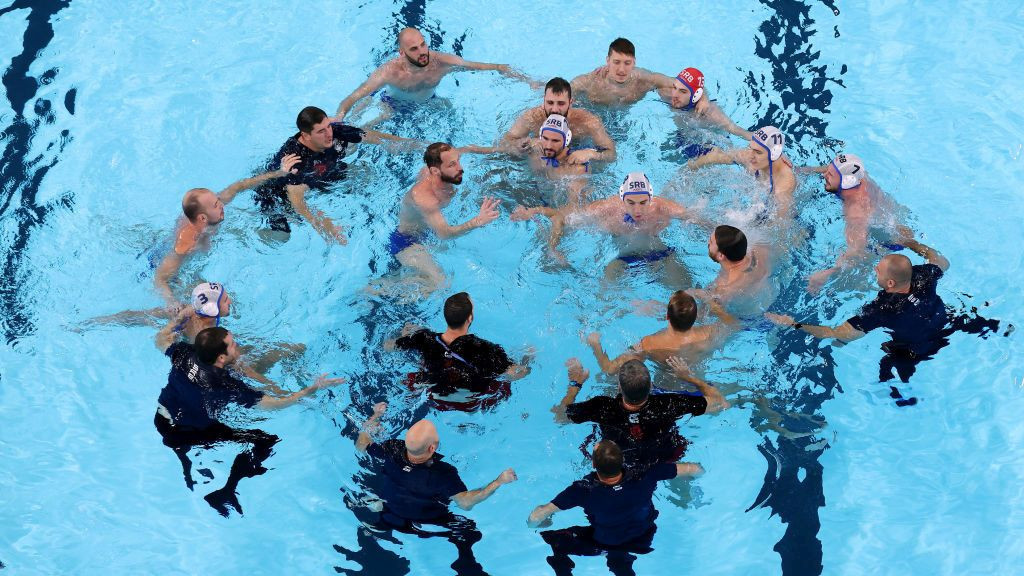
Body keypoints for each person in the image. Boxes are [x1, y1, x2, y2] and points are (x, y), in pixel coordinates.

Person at [154, 326, 343, 516]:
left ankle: (186, 460)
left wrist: (178, 319)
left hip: (162, 419)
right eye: (233, 345)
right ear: (221, 357)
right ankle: (228, 489)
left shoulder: (185, 353)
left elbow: (161, 339)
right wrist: (311, 390)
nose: (238, 347)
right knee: (264, 440)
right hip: (189, 433)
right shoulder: (224, 384)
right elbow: (274, 404)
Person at [765, 232, 950, 394]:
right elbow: (942, 261)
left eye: (878, 271)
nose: (874, 271)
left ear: (891, 283)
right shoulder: (924, 276)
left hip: (913, 349)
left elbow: (836, 333)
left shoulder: (883, 309)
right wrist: (910, 243)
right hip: (946, 324)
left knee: (885, 370)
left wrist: (791, 323)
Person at [352, 405, 517, 575]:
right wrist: (499, 481)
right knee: (469, 530)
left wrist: (376, 415)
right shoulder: (444, 473)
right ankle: (465, 564)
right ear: (432, 448)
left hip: (389, 514)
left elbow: (361, 444)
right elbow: (466, 503)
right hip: (427, 521)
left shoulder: (392, 448)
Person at [527, 440, 704, 576]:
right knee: (619, 551)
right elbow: (696, 469)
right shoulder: (646, 473)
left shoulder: (583, 490)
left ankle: (563, 567)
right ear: (622, 461)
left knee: (553, 538)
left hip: (606, 541)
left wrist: (541, 521)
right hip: (643, 537)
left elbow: (534, 520)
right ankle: (620, 564)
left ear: (594, 465)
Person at [153, 154, 300, 307]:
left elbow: (240, 186)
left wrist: (279, 173)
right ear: (202, 218)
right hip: (176, 271)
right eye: (216, 205)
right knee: (221, 302)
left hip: (203, 239)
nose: (221, 205)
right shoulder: (187, 243)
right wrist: (171, 302)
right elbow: (160, 278)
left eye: (218, 201)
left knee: (281, 236)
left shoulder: (210, 212)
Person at [514, 172, 701, 286]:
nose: (637, 209)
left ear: (650, 198)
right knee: (605, 298)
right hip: (622, 259)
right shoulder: (606, 209)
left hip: (660, 254)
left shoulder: (662, 207)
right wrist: (534, 211)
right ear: (622, 199)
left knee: (687, 290)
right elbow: (563, 217)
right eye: (631, 202)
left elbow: (697, 217)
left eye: (643, 202)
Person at [257, 106, 412, 241]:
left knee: (365, 175)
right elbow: (296, 198)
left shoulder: (333, 132)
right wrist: (323, 226)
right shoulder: (294, 158)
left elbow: (369, 135)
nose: (329, 134)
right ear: (306, 135)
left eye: (328, 126)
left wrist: (410, 143)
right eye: (321, 131)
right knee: (282, 237)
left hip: (319, 173)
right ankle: (246, 231)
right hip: (277, 193)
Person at [553, 356, 728, 470]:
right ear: (651, 386)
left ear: (619, 387)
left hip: (618, 465)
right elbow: (720, 402)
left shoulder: (602, 406)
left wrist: (575, 385)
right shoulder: (669, 404)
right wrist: (688, 377)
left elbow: (559, 416)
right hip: (664, 459)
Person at [334, 27, 535, 121]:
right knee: (365, 130)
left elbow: (493, 67)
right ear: (402, 53)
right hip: (392, 105)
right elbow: (357, 94)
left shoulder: (442, 63)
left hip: (430, 101)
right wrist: (340, 116)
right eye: (414, 49)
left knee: (454, 116)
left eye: (423, 44)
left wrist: (530, 81)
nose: (422, 52)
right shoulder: (389, 72)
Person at [384, 142, 500, 294]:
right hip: (406, 243)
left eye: (458, 160)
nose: (460, 168)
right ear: (435, 171)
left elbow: (468, 148)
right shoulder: (425, 198)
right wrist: (476, 221)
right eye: (452, 165)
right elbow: (444, 234)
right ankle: (380, 288)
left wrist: (502, 150)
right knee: (441, 284)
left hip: (426, 235)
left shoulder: (441, 166)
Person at [389, 291, 530, 410]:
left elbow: (388, 346)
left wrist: (404, 335)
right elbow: (515, 374)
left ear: (445, 316)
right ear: (470, 318)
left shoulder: (423, 338)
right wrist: (527, 358)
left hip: (435, 398)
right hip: (470, 404)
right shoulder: (487, 350)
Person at [803, 153, 909, 293]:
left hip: (885, 243)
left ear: (846, 182)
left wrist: (827, 273)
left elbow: (856, 252)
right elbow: (837, 169)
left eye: (830, 175)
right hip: (895, 220)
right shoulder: (858, 175)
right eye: (827, 171)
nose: (824, 175)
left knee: (848, 283)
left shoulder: (856, 212)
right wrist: (805, 170)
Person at [587, 290, 738, 374]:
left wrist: (595, 344)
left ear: (666, 316)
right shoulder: (709, 332)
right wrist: (709, 301)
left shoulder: (649, 343)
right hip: (696, 386)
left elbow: (609, 369)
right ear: (695, 317)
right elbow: (735, 324)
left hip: (663, 390)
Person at [688, 126, 796, 222]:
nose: (751, 155)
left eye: (758, 152)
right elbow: (717, 156)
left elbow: (778, 227)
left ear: (774, 154)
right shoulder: (749, 157)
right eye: (751, 148)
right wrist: (692, 167)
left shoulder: (783, 186)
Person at [501, 77, 616, 164]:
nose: (555, 109)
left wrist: (590, 153)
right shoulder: (532, 118)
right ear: (544, 101)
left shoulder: (587, 121)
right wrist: (518, 145)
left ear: (571, 103)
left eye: (561, 103)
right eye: (550, 103)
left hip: (577, 148)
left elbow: (611, 154)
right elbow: (505, 141)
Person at [569, 38, 675, 108]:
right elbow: (561, 94)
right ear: (608, 61)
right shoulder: (591, 82)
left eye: (627, 63)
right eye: (616, 62)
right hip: (593, 121)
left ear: (634, 62)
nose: (621, 70)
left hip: (624, 126)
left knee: (669, 92)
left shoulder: (644, 80)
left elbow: (680, 83)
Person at [704, 224, 776, 316]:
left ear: (721, 256)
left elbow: (711, 314)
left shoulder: (726, 287)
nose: (708, 243)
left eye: (710, 242)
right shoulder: (760, 249)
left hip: (756, 317)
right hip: (771, 298)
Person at [665, 66, 751, 139]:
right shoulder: (666, 94)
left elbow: (736, 130)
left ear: (696, 95)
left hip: (710, 146)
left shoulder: (711, 113)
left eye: (683, 91)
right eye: (674, 87)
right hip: (682, 136)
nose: (674, 95)